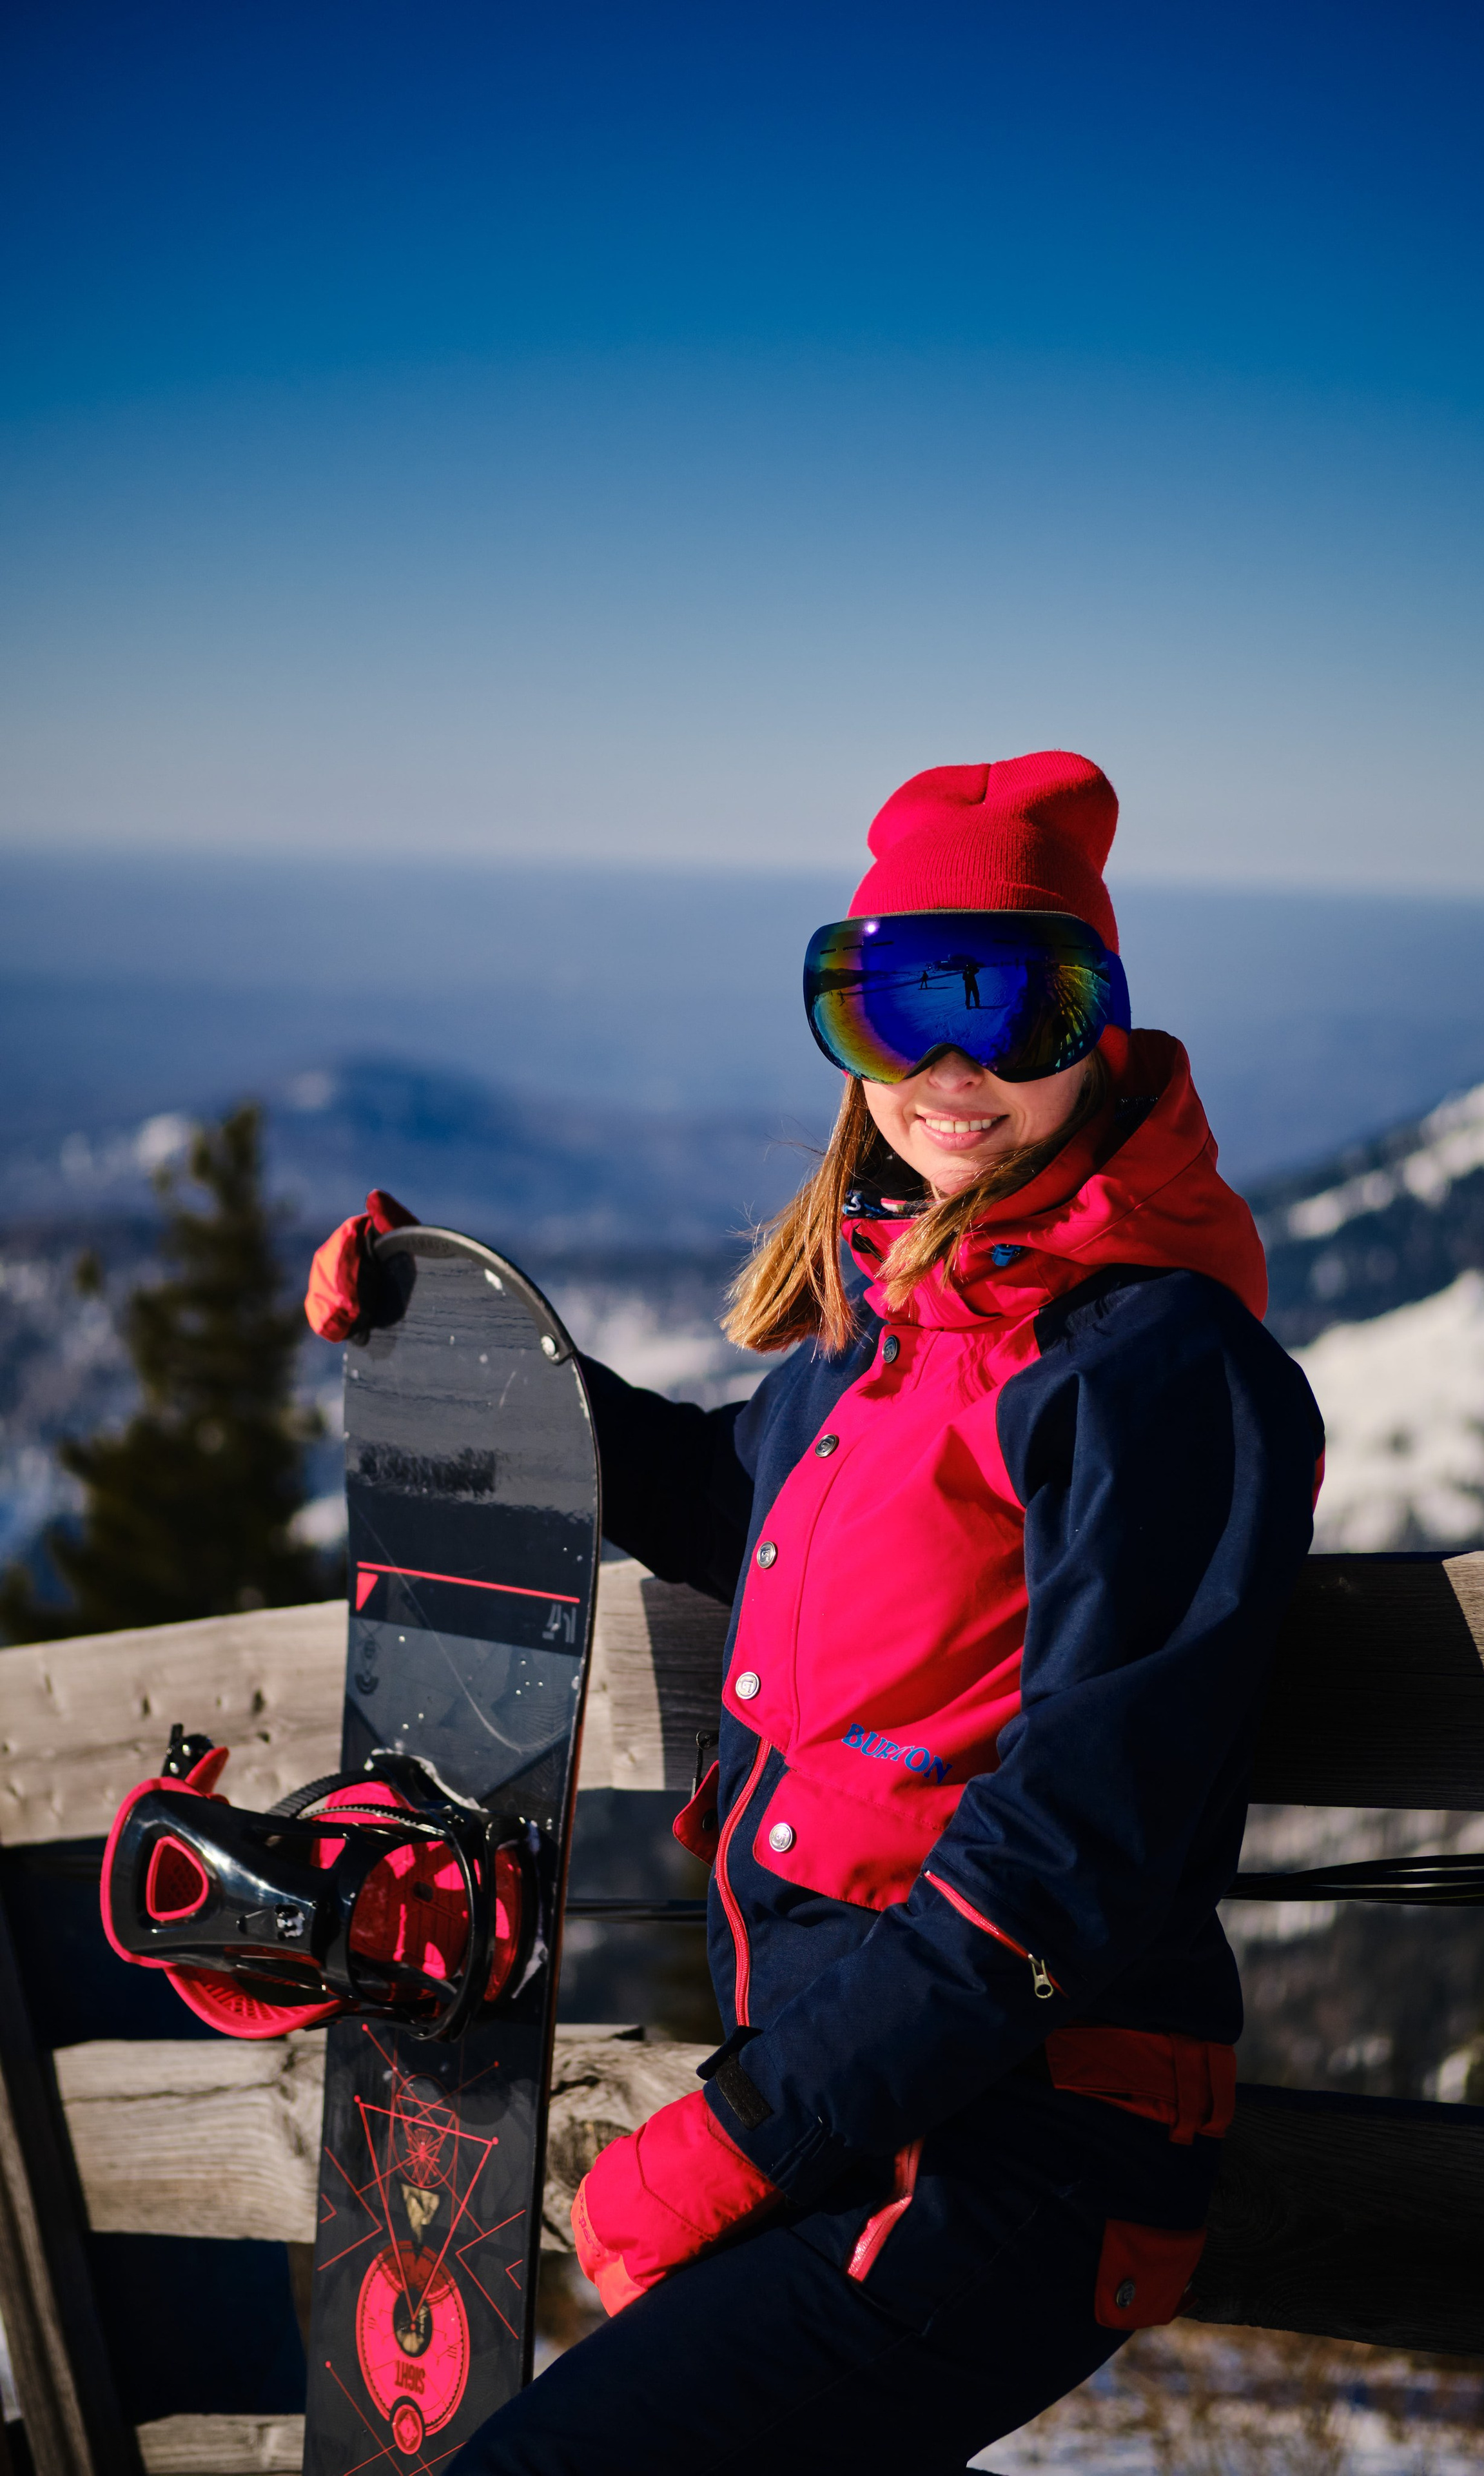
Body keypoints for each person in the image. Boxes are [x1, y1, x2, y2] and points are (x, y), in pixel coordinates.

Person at [306, 750, 1323, 2476]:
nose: (946, 1066)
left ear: (1104, 1018)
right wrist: (490, 1361)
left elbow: (1071, 1851)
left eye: (1011, 1001)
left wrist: (742, 2139)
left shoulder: (1157, 1368)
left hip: (1019, 2151)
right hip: (863, 2104)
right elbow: (734, 1503)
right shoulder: (910, 1322)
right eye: (884, 1002)